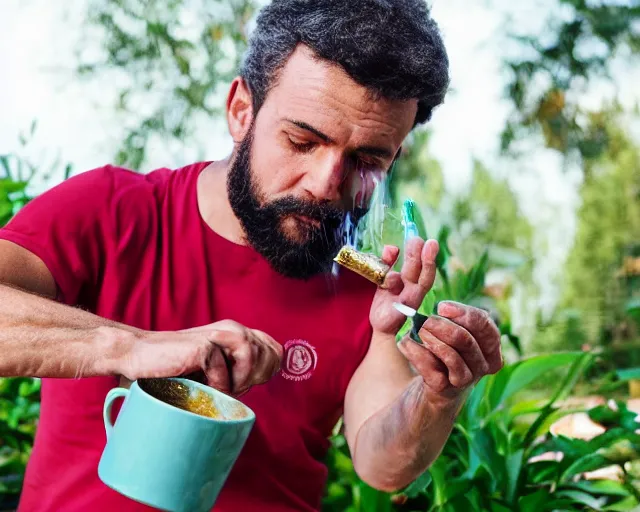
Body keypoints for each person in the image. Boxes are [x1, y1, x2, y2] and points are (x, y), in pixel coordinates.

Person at [0, 0, 503, 510]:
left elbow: (382, 464)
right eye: (303, 141)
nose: (326, 185)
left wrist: (438, 395)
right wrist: (132, 347)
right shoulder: (110, 211)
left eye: (366, 160)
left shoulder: (368, 289)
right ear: (242, 110)